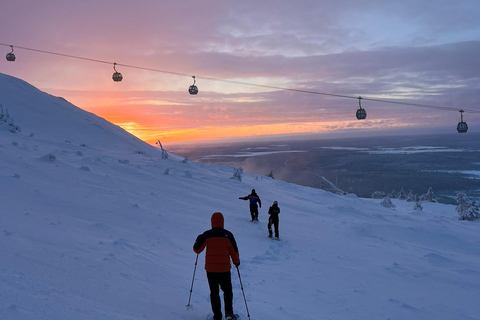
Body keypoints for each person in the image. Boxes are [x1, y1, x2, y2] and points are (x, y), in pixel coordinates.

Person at [193, 212, 240, 320]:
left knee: (214, 292)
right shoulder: (228, 235)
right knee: (227, 291)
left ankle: (217, 316)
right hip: (224, 269)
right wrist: (236, 262)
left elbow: (197, 249)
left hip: (211, 270)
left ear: (212, 222)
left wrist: (198, 239)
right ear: (222, 221)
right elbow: (234, 251)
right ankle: (229, 313)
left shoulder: (207, 235)